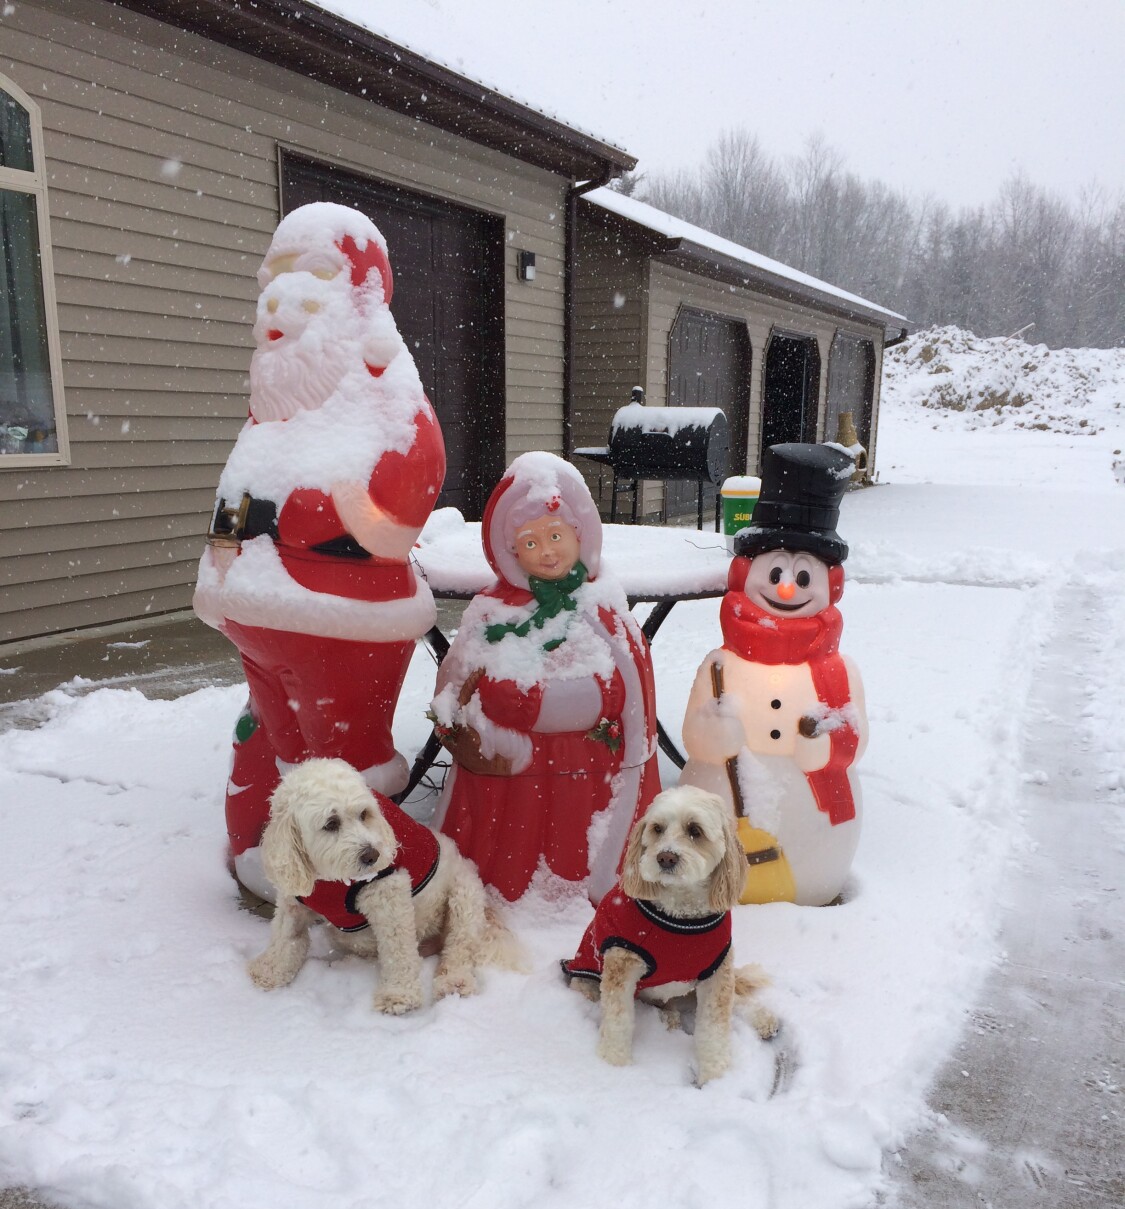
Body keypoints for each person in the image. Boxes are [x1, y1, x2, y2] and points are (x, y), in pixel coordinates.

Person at [192, 201, 446, 895]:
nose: (281, 292)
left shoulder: (379, 389)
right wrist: (227, 553)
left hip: (341, 623)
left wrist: (353, 514)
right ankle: (292, 863)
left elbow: (408, 482)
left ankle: (362, 886)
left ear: (357, 291)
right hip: (259, 617)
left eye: (312, 273)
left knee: (343, 759)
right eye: (273, 274)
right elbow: (238, 495)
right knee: (283, 748)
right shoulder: (274, 400)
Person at [430, 453, 660, 903]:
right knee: (512, 845)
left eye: (556, 536)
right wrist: (472, 721)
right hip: (516, 777)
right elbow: (454, 686)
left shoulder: (605, 609)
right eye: (530, 543)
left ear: (580, 535)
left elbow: (630, 691)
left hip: (590, 766)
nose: (548, 551)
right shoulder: (491, 612)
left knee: (580, 837)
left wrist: (538, 704)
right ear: (510, 551)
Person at [679, 443, 867, 906]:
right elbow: (692, 733)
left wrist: (823, 745)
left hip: (816, 814)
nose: (786, 587)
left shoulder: (838, 672)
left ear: (830, 585)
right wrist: (710, 735)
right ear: (746, 573)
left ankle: (813, 887)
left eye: (804, 578)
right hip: (728, 800)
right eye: (776, 571)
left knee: (807, 868)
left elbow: (856, 734)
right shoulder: (721, 665)